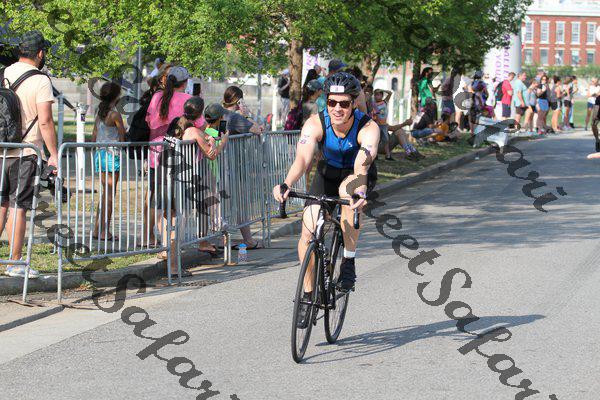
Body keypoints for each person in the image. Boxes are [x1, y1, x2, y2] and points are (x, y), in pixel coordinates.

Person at [273, 72, 379, 317]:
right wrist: (287, 183)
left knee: (347, 194)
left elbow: (362, 164)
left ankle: (348, 261)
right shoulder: (315, 123)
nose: (337, 108)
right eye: (332, 102)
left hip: (355, 175)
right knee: (308, 229)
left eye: (344, 103)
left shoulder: (368, 127)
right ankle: (308, 293)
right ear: (326, 101)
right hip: (327, 172)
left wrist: (359, 190)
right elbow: (303, 159)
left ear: (354, 103)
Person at [0, 31, 58, 279]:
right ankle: (15, 262)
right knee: (18, 207)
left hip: (2, 149)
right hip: (26, 151)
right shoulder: (41, 80)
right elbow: (45, 121)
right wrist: (53, 154)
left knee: (1, 204)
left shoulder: (4, 73)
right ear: (40, 53)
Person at [146, 66, 211, 254]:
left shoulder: (157, 97)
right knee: (178, 207)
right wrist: (215, 136)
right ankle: (173, 247)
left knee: (161, 203)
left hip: (156, 155)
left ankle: (165, 244)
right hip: (181, 159)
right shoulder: (188, 100)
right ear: (185, 82)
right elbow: (201, 127)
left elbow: (149, 122)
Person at [161, 96, 217, 275]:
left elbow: (202, 134)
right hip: (180, 179)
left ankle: (168, 257)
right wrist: (216, 141)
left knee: (170, 218)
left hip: (166, 175)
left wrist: (208, 136)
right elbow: (211, 154)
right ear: (200, 114)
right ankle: (173, 266)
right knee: (178, 223)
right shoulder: (192, 130)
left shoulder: (176, 123)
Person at [221, 86, 264, 250]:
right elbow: (258, 129)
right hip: (234, 166)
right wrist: (246, 115)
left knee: (222, 204)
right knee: (241, 203)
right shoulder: (235, 117)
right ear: (239, 101)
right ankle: (248, 240)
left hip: (221, 164)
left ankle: (224, 241)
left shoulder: (221, 114)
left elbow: (216, 132)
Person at [91, 82, 126, 241]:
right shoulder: (114, 115)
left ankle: (97, 229)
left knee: (105, 193)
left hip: (100, 154)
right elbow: (122, 136)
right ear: (116, 96)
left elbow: (94, 135)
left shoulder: (99, 113)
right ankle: (105, 231)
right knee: (110, 194)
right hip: (112, 155)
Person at [373, 88, 394, 161]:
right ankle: (375, 155)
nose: (376, 97)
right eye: (375, 95)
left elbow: (390, 93)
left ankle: (388, 155)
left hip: (384, 125)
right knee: (376, 140)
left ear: (382, 96)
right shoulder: (373, 104)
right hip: (376, 125)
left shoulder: (385, 102)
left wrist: (382, 90)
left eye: (378, 95)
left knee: (386, 140)